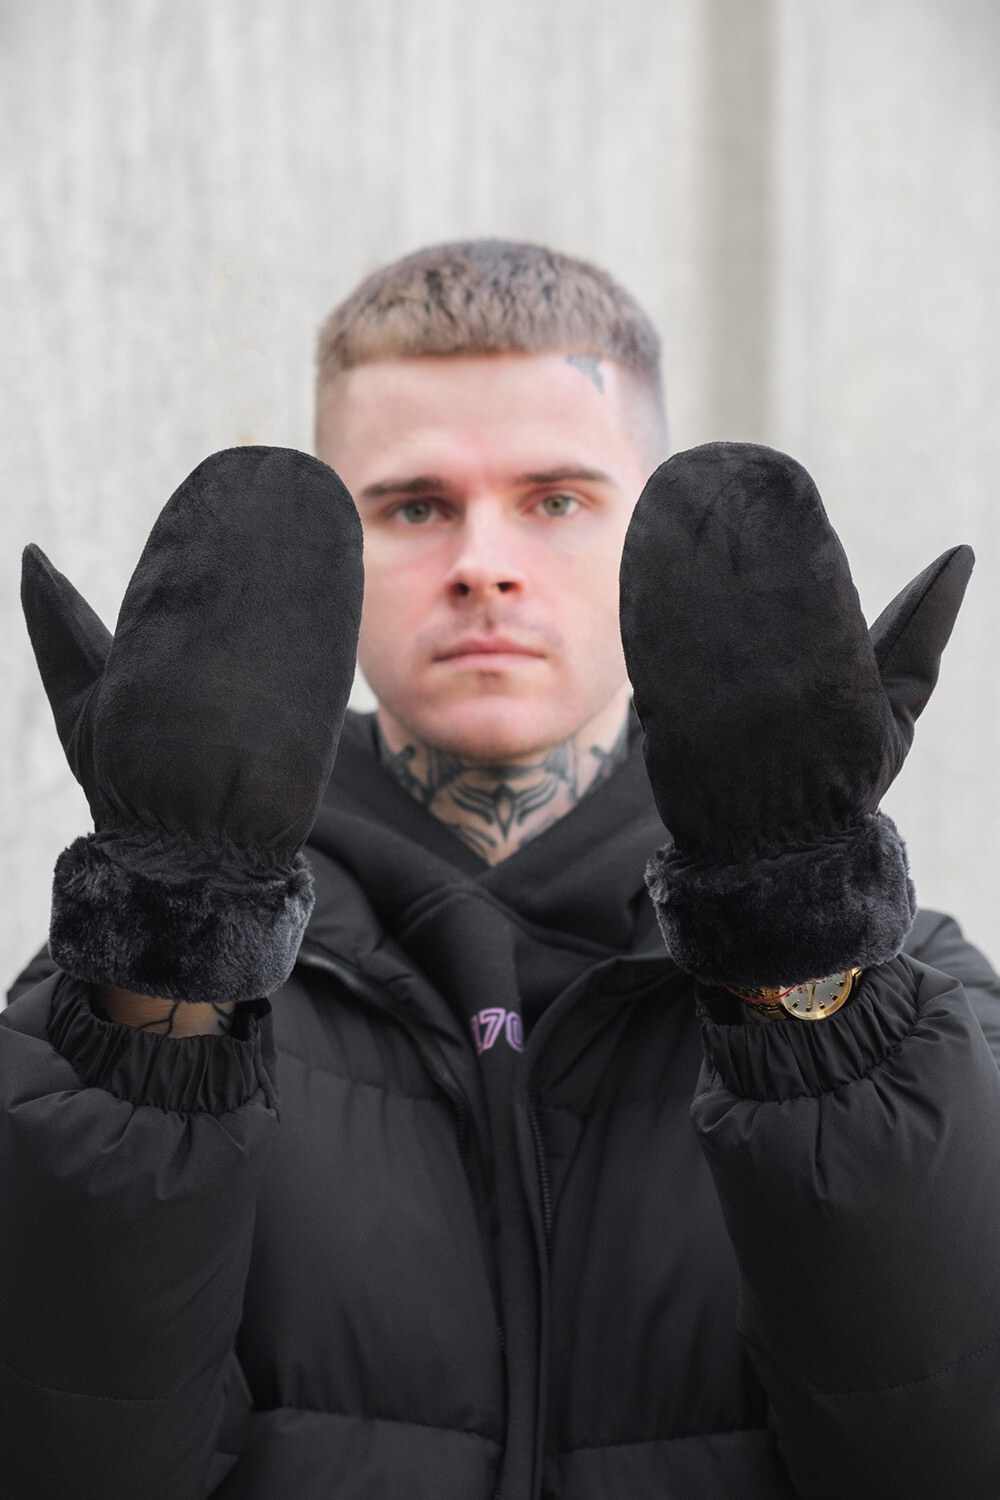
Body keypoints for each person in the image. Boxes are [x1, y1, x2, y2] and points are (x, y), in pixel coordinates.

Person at [3, 240, 1000, 1500]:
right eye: (414, 506)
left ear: (652, 541)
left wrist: (798, 948)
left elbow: (938, 1452)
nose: (483, 561)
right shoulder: (106, 998)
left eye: (557, 500)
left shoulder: (911, 998)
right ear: (332, 559)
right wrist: (170, 962)